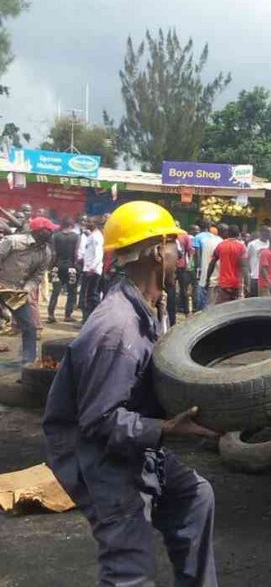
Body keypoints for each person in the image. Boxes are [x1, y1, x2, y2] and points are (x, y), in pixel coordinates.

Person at [42, 200, 220, 586]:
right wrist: (167, 428)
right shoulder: (117, 330)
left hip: (132, 439)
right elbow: (99, 420)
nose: (180, 254)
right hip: (95, 454)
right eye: (175, 245)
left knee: (194, 498)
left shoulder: (151, 305)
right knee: (131, 565)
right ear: (158, 252)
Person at [0, 216, 57, 362]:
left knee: (29, 328)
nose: (51, 233)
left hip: (15, 293)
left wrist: (25, 290)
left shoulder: (46, 252)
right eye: (49, 230)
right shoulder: (13, 242)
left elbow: (37, 277)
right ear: (38, 232)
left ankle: (27, 365)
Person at [47, 217, 80, 323]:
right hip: (71, 267)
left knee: (55, 291)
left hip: (57, 266)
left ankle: (51, 314)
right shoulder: (76, 236)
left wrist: (51, 266)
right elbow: (76, 253)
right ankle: (67, 315)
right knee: (71, 291)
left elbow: (54, 253)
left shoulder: (56, 236)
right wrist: (76, 265)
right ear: (72, 225)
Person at [206, 225, 247, 304]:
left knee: (221, 307)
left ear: (228, 233)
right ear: (238, 234)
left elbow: (212, 263)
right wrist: (247, 284)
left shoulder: (221, 245)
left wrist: (207, 279)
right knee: (235, 308)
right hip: (237, 284)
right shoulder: (242, 247)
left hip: (224, 284)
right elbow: (244, 266)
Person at [167, 224, 195, 326]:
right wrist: (190, 264)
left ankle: (184, 312)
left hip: (178, 266)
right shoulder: (180, 236)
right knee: (179, 290)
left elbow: (190, 251)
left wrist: (189, 264)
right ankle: (182, 312)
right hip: (178, 266)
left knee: (179, 290)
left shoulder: (180, 236)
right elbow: (190, 251)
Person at [80, 216, 105, 322]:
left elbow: (99, 254)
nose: (87, 224)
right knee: (88, 296)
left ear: (95, 224)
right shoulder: (91, 236)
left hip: (93, 271)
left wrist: (92, 268)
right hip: (87, 269)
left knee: (92, 297)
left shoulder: (97, 237)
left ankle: (95, 320)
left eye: (89, 222)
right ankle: (87, 320)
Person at [193, 221, 221, 311]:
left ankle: (197, 311)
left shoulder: (198, 237)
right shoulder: (219, 241)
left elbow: (197, 254)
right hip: (216, 276)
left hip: (203, 270)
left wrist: (197, 268)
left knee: (201, 295)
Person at [246, 226, 271, 297]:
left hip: (266, 279)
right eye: (267, 231)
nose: (269, 234)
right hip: (255, 276)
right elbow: (246, 259)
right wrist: (249, 272)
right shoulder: (252, 244)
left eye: (270, 232)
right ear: (261, 232)